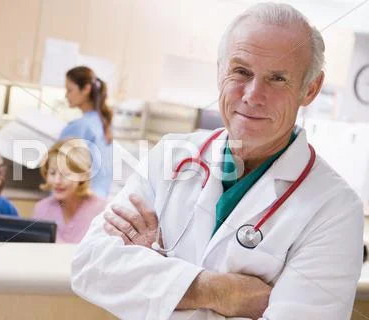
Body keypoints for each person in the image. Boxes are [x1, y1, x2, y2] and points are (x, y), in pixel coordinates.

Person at [71, 3, 364, 320]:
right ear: (220, 71)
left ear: (310, 89)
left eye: (277, 78)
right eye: (241, 72)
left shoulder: (335, 210)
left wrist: (156, 278)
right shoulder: (170, 156)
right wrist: (219, 291)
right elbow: (90, 264)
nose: (252, 94)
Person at [32, 138, 106, 243]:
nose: (57, 181)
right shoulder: (41, 209)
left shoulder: (101, 210)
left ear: (83, 175)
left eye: (65, 174)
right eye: (52, 173)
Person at [60, 66, 113, 198]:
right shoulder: (103, 123)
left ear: (86, 89)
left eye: (69, 90)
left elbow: (60, 168)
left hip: (78, 200)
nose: (66, 95)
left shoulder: (80, 126)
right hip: (98, 199)